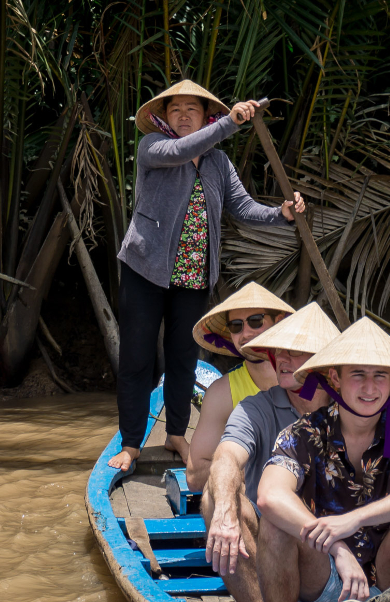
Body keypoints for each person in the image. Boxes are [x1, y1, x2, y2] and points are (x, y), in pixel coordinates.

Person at [204, 308, 390, 602]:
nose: (369, 388)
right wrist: (338, 547)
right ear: (335, 378)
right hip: (325, 572)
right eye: (357, 375)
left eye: (379, 376)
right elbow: (269, 495)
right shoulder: (306, 430)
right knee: (276, 527)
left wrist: (354, 519)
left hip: (388, 574)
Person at [108, 80, 306, 472]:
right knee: (137, 358)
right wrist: (231, 123)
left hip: (194, 276)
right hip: (145, 270)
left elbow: (243, 208)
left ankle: (177, 435)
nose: (183, 115)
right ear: (164, 117)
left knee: (184, 358)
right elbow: (183, 150)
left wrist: (281, 215)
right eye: (175, 109)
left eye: (192, 109)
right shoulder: (153, 149)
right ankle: (130, 445)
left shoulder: (217, 162)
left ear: (205, 116)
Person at [199, 303, 339, 602]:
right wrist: (224, 513)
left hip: (332, 554)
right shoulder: (254, 408)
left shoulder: (352, 407)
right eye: (280, 352)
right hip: (271, 551)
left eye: (296, 352)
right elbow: (225, 458)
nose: (284, 360)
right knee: (215, 496)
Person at [186, 282, 295, 490]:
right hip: (252, 500)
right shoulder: (221, 393)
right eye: (236, 326)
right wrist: (268, 472)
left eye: (256, 321)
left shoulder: (308, 377)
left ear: (278, 322)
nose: (246, 333)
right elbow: (195, 475)